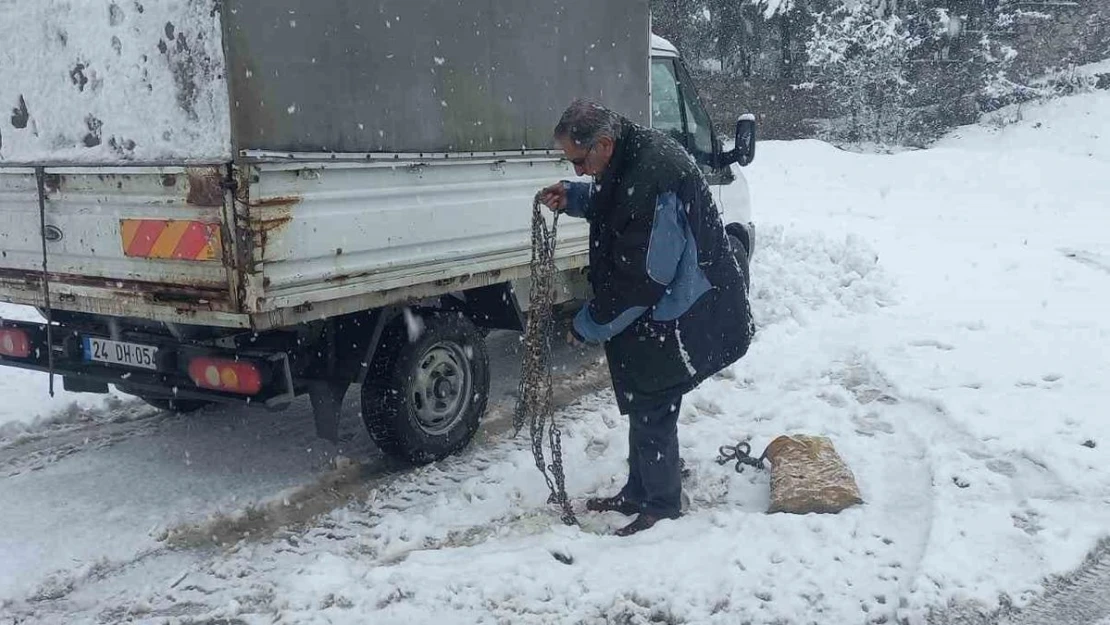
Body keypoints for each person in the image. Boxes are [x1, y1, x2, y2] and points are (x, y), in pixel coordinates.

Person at [538, 99, 755, 536]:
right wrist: (576, 198)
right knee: (642, 398)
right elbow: (619, 201)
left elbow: (645, 278)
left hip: (684, 307)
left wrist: (588, 324)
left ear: (602, 143)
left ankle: (660, 505)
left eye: (579, 162)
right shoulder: (629, 154)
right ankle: (639, 491)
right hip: (664, 306)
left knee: (654, 400)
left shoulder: (653, 173)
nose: (579, 171)